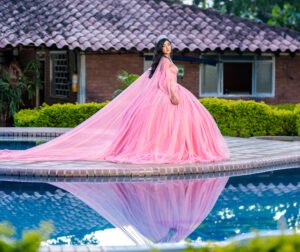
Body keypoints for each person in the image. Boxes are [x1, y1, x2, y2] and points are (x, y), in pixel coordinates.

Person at [0, 35, 230, 164]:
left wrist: (172, 91)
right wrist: (173, 96)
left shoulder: (162, 62)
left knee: (169, 128)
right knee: (171, 127)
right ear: (160, 49)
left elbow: (162, 80)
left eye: (169, 44)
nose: (168, 47)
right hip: (170, 95)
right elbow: (167, 82)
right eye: (164, 46)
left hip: (169, 94)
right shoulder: (165, 63)